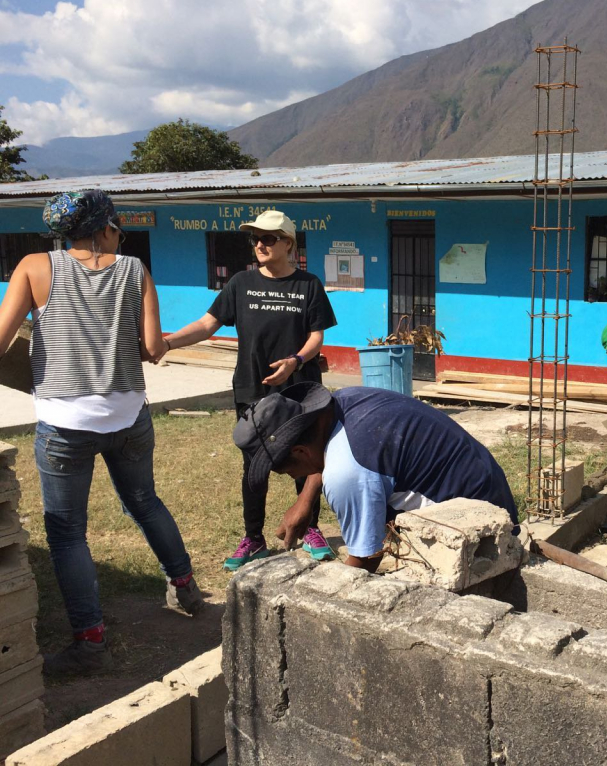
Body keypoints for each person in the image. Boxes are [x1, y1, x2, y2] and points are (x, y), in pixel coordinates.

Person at [0, 190, 201, 676]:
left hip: (65, 424)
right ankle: (186, 589)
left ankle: (90, 643)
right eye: (117, 228)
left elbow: (2, 339)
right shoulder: (135, 270)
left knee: (68, 532)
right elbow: (153, 348)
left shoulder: (32, 266)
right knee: (145, 501)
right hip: (130, 415)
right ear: (107, 227)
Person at [159, 210, 337, 570]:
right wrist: (169, 343)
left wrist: (296, 361)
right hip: (252, 393)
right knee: (254, 468)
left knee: (305, 462)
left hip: (299, 391)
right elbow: (208, 324)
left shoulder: (309, 285)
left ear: (288, 243)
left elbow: (316, 336)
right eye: (255, 238)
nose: (260, 244)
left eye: (269, 238)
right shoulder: (240, 283)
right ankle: (253, 538)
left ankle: (310, 528)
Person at [232, 383, 519, 572]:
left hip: (482, 530)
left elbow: (367, 558)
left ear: (299, 450)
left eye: (286, 471)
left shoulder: (347, 472)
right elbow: (327, 453)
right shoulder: (344, 402)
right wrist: (305, 500)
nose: (290, 476)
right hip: (485, 478)